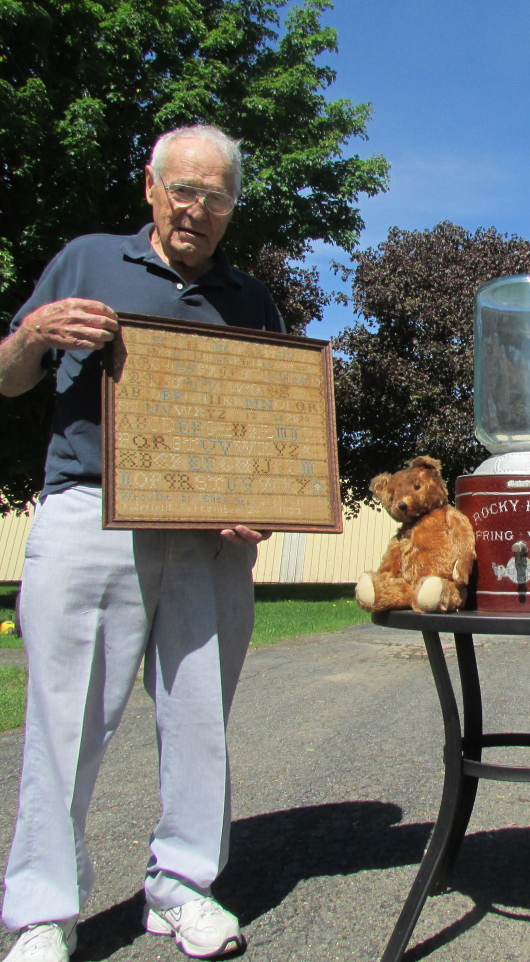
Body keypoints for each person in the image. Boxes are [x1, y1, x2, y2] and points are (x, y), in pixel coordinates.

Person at [0, 125, 284, 962]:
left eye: (217, 196)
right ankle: (43, 910)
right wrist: (35, 331)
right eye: (184, 190)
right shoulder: (87, 259)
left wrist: (265, 504)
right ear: (152, 190)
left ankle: (183, 886)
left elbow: (272, 426)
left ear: (233, 208)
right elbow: (9, 376)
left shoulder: (252, 301)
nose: (198, 208)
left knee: (200, 718)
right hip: (90, 512)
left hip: (208, 540)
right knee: (65, 718)